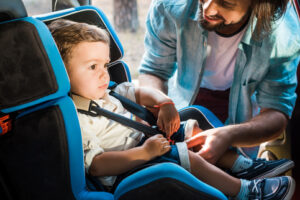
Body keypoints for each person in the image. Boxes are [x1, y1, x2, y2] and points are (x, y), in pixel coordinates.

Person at [48, 19, 295, 199]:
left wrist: (165, 104)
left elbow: (141, 93)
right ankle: (244, 192)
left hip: (144, 143)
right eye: (92, 67)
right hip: (127, 166)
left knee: (191, 127)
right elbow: (98, 166)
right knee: (183, 156)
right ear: (60, 74)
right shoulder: (76, 120)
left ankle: (244, 168)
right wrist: (144, 153)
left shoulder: (108, 91)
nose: (104, 73)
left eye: (104, 64)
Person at [138, 0, 300, 163]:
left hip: (243, 114)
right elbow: (154, 70)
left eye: (226, 3)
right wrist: (154, 106)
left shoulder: (283, 34)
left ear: (259, 5)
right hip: (180, 100)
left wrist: (230, 136)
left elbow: (276, 110)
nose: (207, 8)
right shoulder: (170, 5)